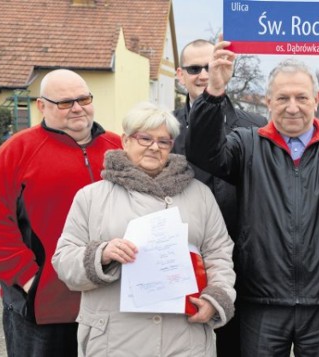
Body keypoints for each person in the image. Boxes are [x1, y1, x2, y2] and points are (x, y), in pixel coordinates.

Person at [185, 37, 319, 356]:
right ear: (268, 100)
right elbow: (203, 152)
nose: (292, 106)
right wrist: (215, 92)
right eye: (283, 97)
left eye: (301, 97)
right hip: (261, 299)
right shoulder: (247, 145)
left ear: (316, 99)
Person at [52, 102, 236, 356]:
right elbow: (63, 259)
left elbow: (219, 253)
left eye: (164, 141)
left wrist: (216, 298)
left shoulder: (200, 195)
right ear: (125, 140)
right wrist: (102, 254)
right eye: (145, 138)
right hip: (115, 340)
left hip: (184, 338)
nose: (154, 147)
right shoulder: (91, 197)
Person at [0, 69, 122, 356]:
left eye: (83, 99)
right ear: (41, 106)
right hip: (42, 309)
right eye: (64, 102)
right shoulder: (16, 152)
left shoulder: (118, 147)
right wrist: (27, 278)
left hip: (110, 304)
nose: (76, 108)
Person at [174, 39, 266, 356]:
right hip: (183, 263)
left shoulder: (256, 127)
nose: (203, 74)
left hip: (246, 266)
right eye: (194, 68)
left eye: (209, 66)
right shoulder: (165, 129)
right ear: (179, 75)